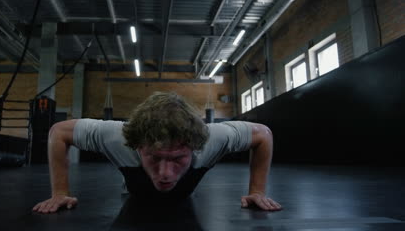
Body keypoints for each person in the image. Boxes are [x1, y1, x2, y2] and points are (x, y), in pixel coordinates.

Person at [32, 92, 282, 214]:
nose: (164, 173)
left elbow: (263, 135)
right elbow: (59, 132)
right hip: (133, 187)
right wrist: (60, 193)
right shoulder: (118, 136)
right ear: (137, 144)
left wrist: (257, 191)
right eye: (154, 156)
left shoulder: (212, 138)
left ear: (194, 147)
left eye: (177, 158)